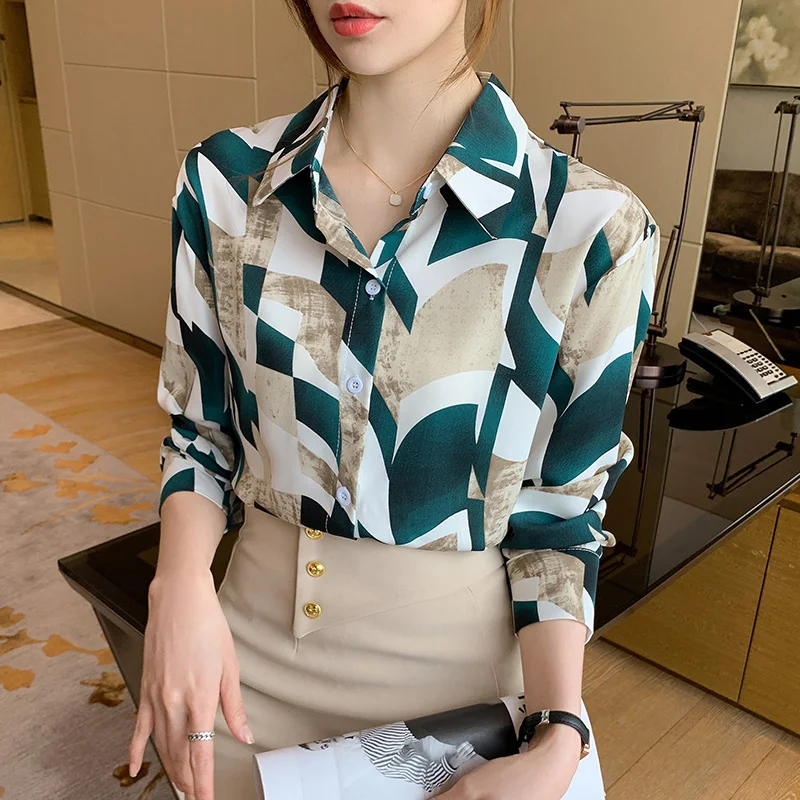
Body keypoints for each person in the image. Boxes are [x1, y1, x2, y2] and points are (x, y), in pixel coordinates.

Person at [127, 1, 661, 799]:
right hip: (242, 666)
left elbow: (559, 513)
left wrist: (557, 735)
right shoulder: (224, 183)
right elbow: (202, 435)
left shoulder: (589, 229)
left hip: (456, 704)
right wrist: (177, 587)